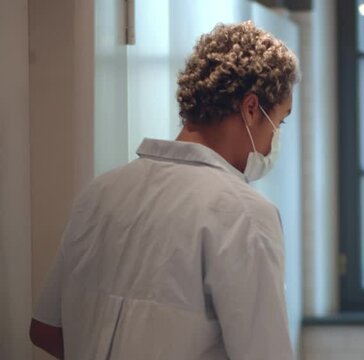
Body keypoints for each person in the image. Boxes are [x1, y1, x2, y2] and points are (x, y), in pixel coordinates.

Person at [29, 20, 300, 360]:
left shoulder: (101, 192)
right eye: (281, 120)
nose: (275, 139)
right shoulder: (245, 216)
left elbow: (46, 330)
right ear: (250, 109)